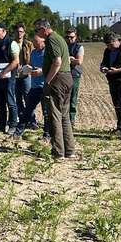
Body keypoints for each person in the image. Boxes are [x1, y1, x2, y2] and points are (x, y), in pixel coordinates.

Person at [34, 19, 76, 159]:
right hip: (67, 78)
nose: (37, 34)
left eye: (37, 30)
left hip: (58, 80)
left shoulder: (51, 39)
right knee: (64, 116)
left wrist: (47, 80)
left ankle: (58, 152)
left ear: (44, 29)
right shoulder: (59, 38)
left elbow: (57, 61)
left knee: (55, 116)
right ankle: (69, 150)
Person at [13, 34, 50, 140]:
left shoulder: (48, 53)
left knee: (46, 112)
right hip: (34, 87)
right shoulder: (33, 53)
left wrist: (42, 71)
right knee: (27, 110)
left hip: (45, 86)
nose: (34, 44)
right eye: (33, 42)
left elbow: (53, 67)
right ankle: (18, 133)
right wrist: (25, 69)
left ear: (43, 41)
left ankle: (47, 135)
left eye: (36, 42)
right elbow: (31, 66)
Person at [0, 23, 20, 134]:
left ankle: (13, 124)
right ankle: (1, 125)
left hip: (8, 77)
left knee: (10, 101)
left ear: (4, 31)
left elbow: (16, 61)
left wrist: (4, 72)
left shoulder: (12, 43)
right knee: (0, 102)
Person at [14, 23, 33, 129]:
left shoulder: (28, 44)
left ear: (24, 33)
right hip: (15, 75)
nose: (19, 33)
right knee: (18, 98)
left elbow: (32, 58)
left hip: (26, 74)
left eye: (21, 31)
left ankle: (32, 119)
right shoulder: (11, 44)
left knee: (28, 98)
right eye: (17, 31)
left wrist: (28, 68)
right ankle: (22, 119)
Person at [65, 27, 85, 126]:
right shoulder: (64, 46)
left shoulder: (79, 47)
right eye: (68, 37)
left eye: (72, 37)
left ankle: (71, 119)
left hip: (74, 75)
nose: (70, 39)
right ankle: (64, 119)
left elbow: (79, 61)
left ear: (75, 36)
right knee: (64, 98)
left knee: (73, 98)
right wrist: (70, 59)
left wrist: (71, 59)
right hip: (64, 74)